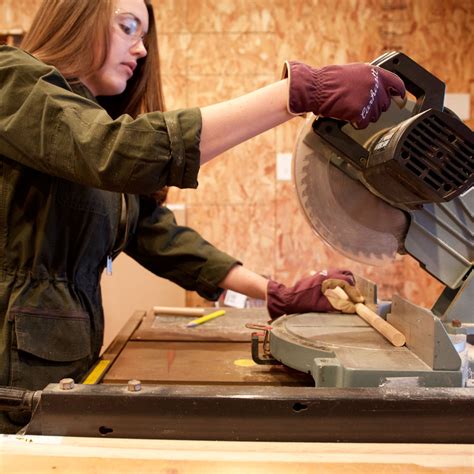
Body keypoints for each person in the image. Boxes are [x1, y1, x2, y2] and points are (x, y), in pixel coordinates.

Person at [0, 0, 405, 432]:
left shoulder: (89, 126)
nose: (140, 50)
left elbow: (157, 235)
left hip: (59, 366)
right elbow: (112, 151)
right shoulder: (11, 78)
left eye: (143, 37)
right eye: (128, 27)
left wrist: (273, 293)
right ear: (74, 18)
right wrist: (296, 93)